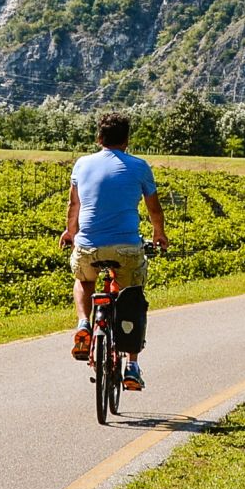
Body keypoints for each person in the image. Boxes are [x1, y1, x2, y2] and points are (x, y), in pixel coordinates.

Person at [62, 111, 168, 393]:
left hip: (88, 244)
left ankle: (84, 324)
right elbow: (153, 209)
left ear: (99, 138)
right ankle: (132, 365)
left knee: (84, 280)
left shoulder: (82, 164)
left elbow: (75, 206)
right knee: (131, 295)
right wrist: (159, 234)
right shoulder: (139, 166)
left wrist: (70, 233)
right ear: (127, 140)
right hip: (126, 246)